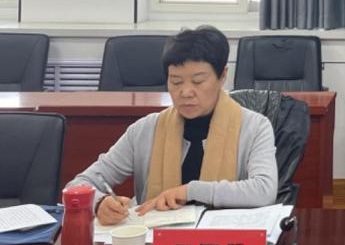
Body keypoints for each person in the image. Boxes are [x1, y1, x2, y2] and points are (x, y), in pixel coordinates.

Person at [69, 26, 278, 225]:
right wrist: (99, 203)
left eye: (198, 81)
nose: (185, 92)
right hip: (155, 242)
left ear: (222, 76)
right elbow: (78, 185)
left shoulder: (255, 127)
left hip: (222, 242)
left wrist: (190, 191)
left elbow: (264, 190)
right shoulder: (145, 130)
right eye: (176, 82)